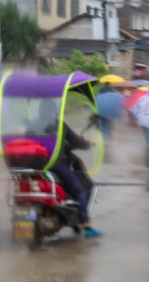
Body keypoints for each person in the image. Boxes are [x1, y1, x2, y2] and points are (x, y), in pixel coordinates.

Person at [35, 99, 104, 238]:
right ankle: (86, 225)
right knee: (78, 191)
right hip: (54, 165)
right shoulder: (58, 125)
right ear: (53, 112)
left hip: (34, 165)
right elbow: (76, 141)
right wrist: (86, 144)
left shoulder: (33, 124)